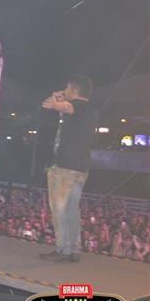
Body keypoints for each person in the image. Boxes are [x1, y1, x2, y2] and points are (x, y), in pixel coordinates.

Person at [40, 75, 97, 263]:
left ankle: (62, 249)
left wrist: (56, 103)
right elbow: (65, 109)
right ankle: (72, 249)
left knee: (59, 207)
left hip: (66, 167)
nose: (65, 90)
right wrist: (59, 98)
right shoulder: (88, 110)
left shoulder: (79, 106)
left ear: (74, 89)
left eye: (68, 88)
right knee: (71, 209)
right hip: (79, 168)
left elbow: (66, 107)